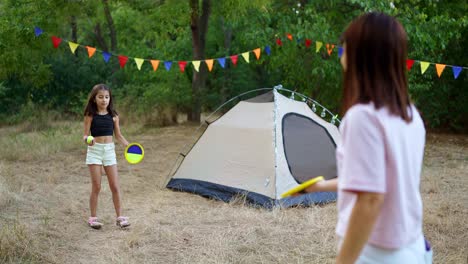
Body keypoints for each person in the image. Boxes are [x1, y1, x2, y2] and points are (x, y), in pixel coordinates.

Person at [302, 13, 432, 263]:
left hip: (376, 254)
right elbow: (375, 182)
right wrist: (317, 187)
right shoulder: (410, 115)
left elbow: (371, 198)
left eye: (345, 46)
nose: (342, 53)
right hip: (413, 249)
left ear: (363, 53)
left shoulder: (363, 117)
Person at [83, 84, 131, 229]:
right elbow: (85, 135)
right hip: (95, 151)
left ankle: (120, 217)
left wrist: (129, 146)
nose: (104, 100)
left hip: (109, 151)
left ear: (110, 98)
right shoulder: (90, 115)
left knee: (115, 186)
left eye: (106, 97)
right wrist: (88, 140)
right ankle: (93, 218)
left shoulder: (114, 116)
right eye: (100, 97)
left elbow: (118, 135)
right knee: (96, 186)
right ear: (94, 99)